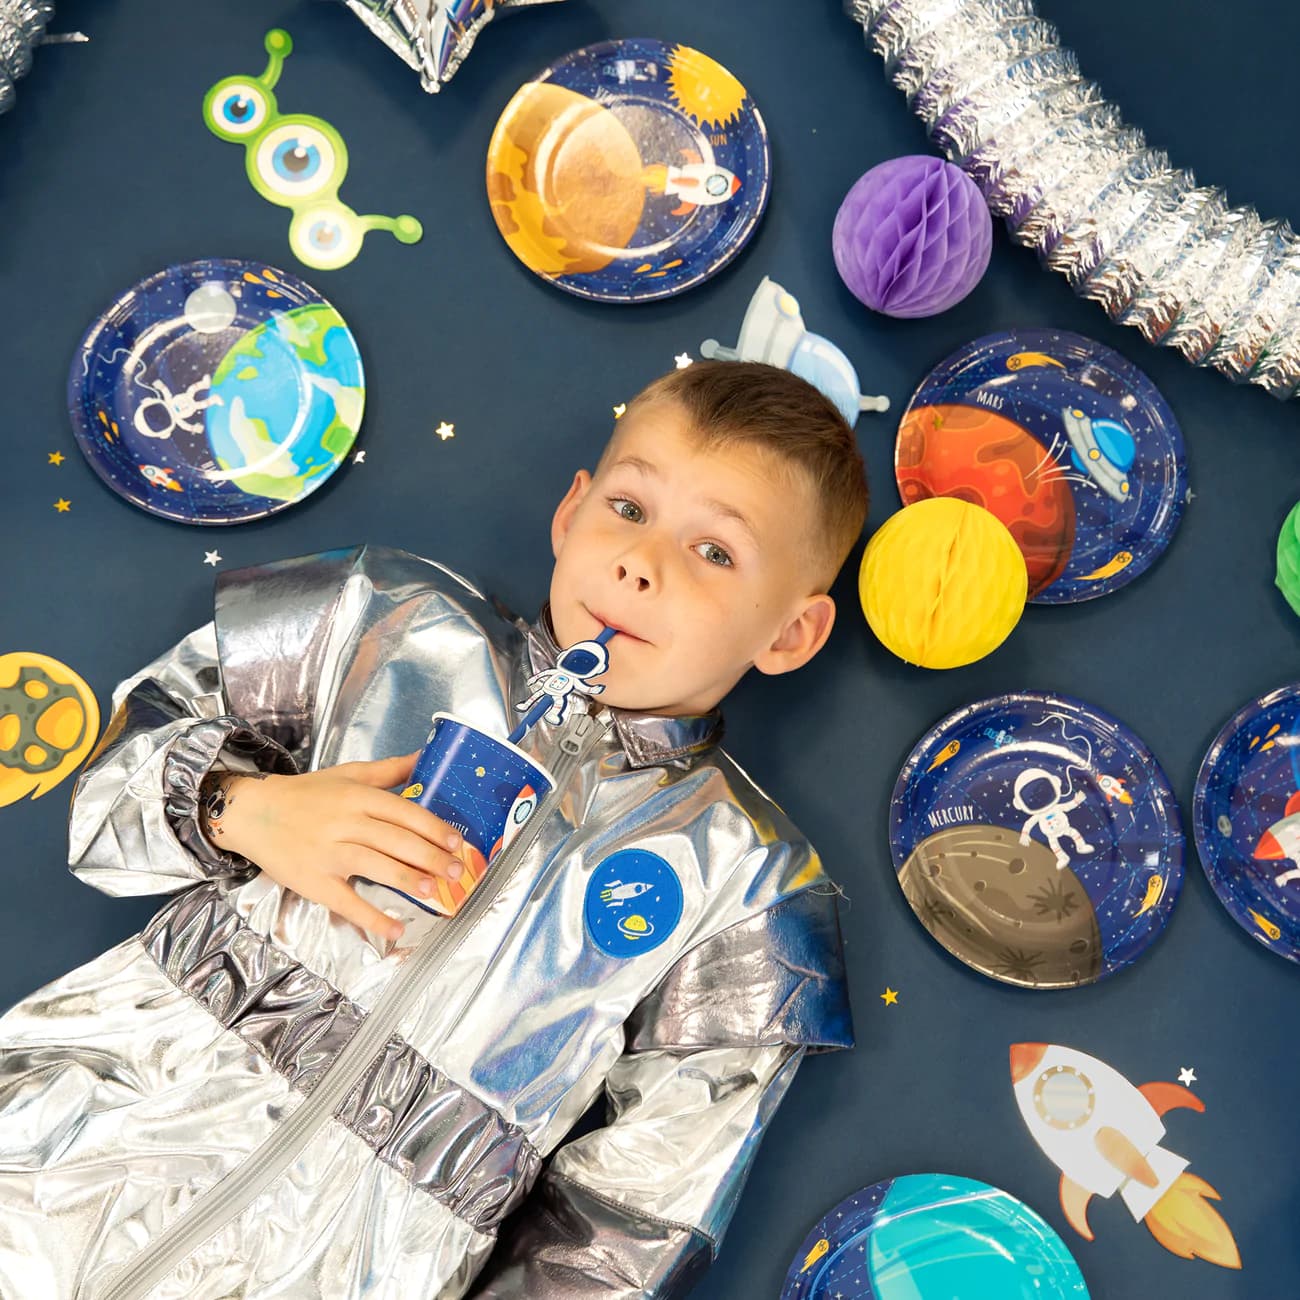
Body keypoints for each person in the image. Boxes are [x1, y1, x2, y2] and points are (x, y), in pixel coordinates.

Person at [0, 360, 866, 1299]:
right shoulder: (381, 616)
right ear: (570, 513)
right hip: (62, 1143)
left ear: (790, 634)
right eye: (628, 508)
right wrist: (244, 809)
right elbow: (111, 782)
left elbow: (636, 1217)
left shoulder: (747, 885)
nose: (640, 562)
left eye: (715, 552)